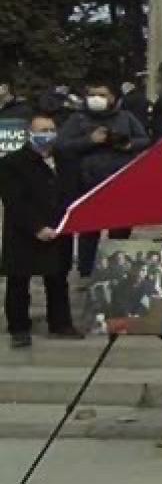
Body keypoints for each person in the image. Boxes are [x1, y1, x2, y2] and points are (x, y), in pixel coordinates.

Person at [0, 112, 83, 348]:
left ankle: (60, 323)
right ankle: (18, 327)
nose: (46, 135)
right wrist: (36, 227)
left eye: (50, 130)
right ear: (30, 133)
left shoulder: (65, 159)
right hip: (25, 231)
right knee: (19, 280)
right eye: (41, 130)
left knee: (57, 278)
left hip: (59, 228)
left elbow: (74, 191)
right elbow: (13, 200)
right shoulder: (12, 162)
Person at [56, 81, 150, 278]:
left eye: (102, 94)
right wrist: (89, 141)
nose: (96, 99)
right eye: (92, 94)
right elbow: (62, 146)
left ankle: (116, 269)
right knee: (90, 228)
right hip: (89, 181)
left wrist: (128, 144)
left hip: (120, 180)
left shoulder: (125, 117)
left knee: (121, 226)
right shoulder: (78, 119)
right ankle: (86, 270)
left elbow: (144, 139)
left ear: (113, 98)